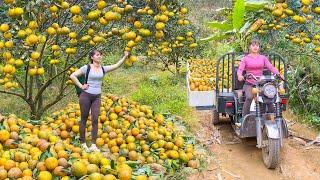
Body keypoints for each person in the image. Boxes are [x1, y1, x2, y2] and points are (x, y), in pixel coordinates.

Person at [70, 50, 130, 152]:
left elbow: (116, 65)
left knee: (95, 120)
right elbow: (72, 76)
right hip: (86, 96)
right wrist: (81, 86)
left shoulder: (103, 69)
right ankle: (83, 143)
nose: (100, 56)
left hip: (97, 97)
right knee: (84, 118)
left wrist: (125, 57)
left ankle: (93, 144)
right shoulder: (86, 68)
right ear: (92, 57)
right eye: (97, 55)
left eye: (100, 55)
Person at [236, 39, 284, 126]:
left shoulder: (263, 58)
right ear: (250, 47)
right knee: (249, 97)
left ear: (259, 47)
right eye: (253, 45)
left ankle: (275, 120)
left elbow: (271, 67)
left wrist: (278, 74)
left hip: (261, 83)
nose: (255, 47)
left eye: (257, 45)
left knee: (269, 98)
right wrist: (240, 75)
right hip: (249, 83)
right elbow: (240, 69)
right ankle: (244, 119)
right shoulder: (245, 59)